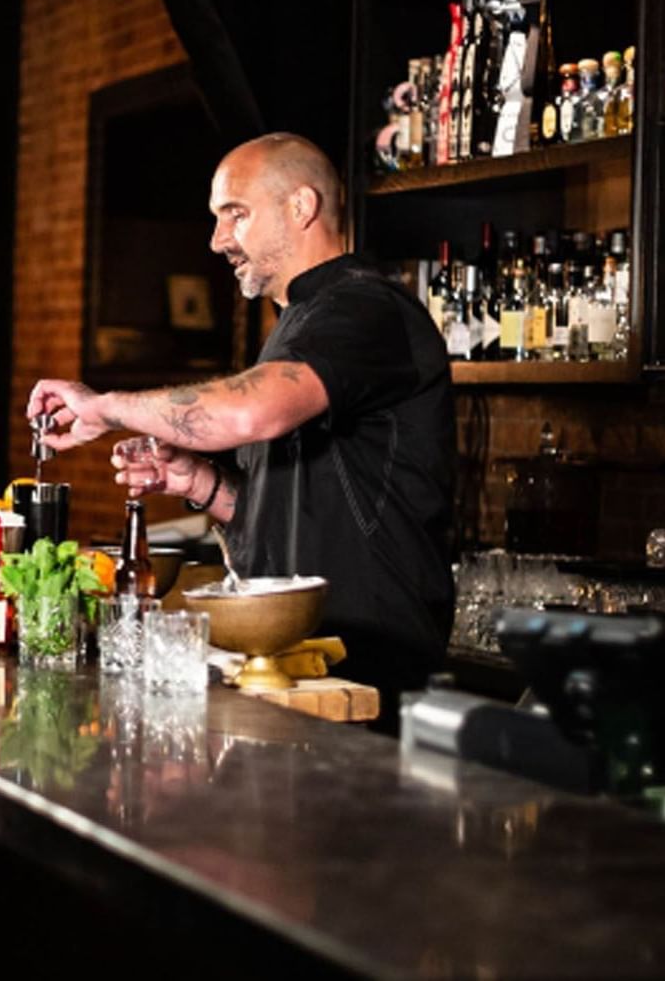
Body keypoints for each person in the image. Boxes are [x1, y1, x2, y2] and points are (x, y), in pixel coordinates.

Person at [27, 132, 455, 711]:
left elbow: (254, 411)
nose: (217, 240)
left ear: (301, 207)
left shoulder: (365, 308)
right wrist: (201, 484)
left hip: (370, 676)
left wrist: (105, 407)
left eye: (236, 214)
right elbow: (287, 515)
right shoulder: (297, 324)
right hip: (296, 667)